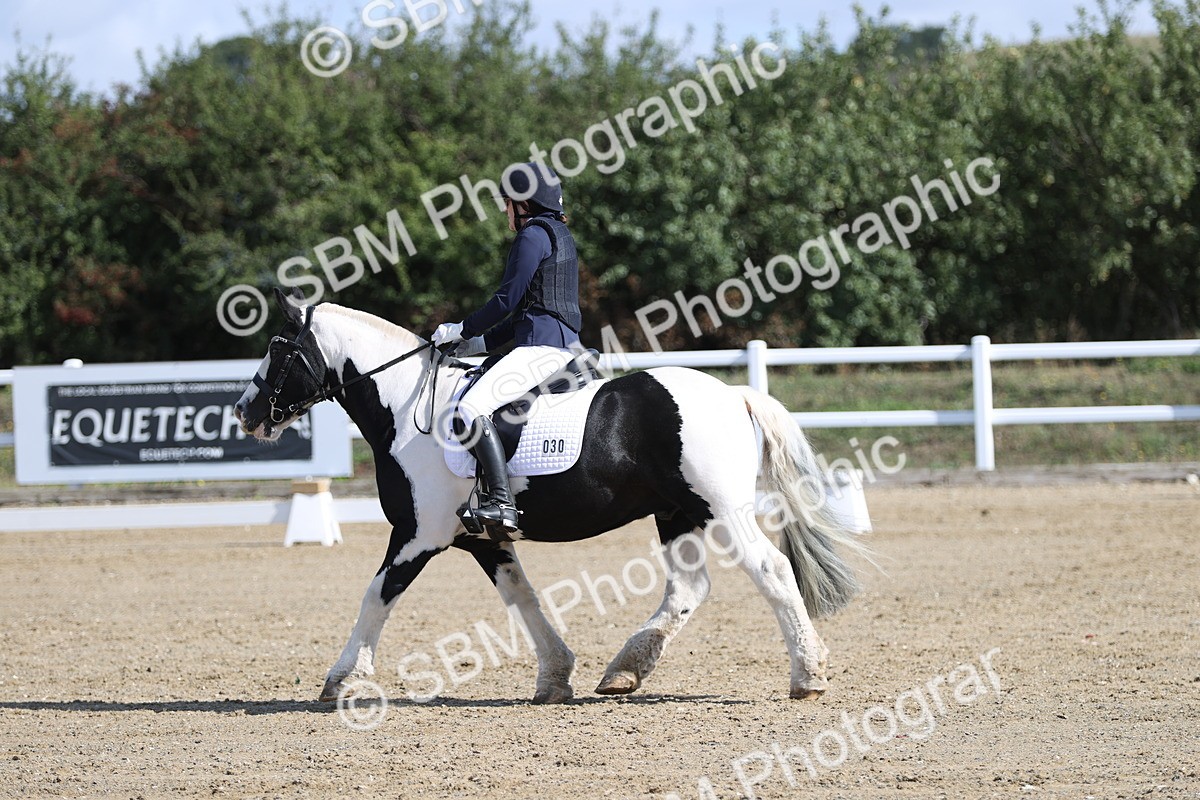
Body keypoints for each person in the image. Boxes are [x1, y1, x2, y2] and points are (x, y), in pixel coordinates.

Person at [432, 163, 582, 535]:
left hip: (541, 351)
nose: (504, 210)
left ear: (523, 203)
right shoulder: (558, 233)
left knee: (468, 408)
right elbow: (531, 314)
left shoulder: (532, 235)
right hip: (561, 345)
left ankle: (500, 500)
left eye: (507, 203)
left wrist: (459, 328)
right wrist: (478, 343)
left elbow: (506, 300)